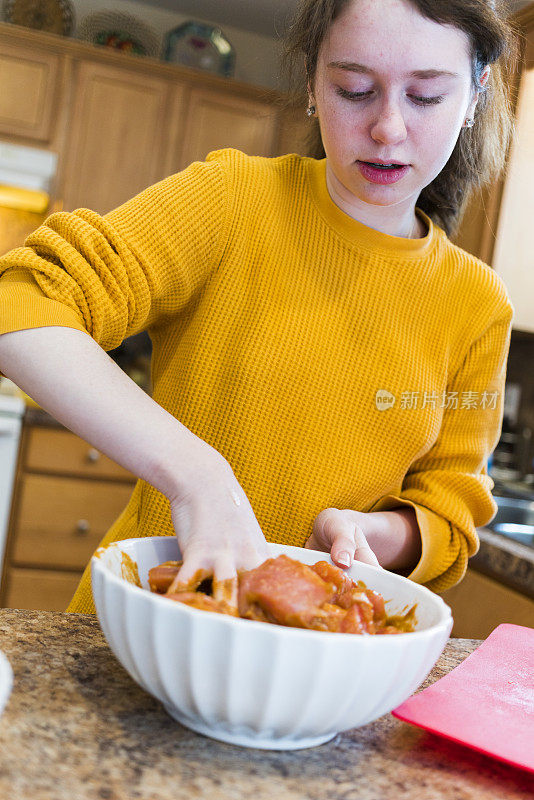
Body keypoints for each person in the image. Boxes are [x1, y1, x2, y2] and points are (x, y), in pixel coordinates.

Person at [0, 0, 519, 614]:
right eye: (355, 90)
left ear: (476, 94)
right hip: (147, 621)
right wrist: (197, 474)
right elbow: (22, 300)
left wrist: (370, 533)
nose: (388, 128)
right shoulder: (232, 200)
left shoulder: (476, 304)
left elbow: (450, 508)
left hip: (320, 655)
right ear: (311, 86)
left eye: (427, 96)